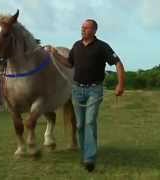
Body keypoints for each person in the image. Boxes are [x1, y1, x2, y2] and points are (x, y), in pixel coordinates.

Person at [49, 19, 125, 172]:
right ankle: (85, 154)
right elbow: (69, 63)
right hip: (77, 90)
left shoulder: (102, 46)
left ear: (94, 30)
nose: (82, 29)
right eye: (82, 27)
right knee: (80, 124)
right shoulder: (76, 45)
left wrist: (120, 84)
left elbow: (117, 63)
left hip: (94, 90)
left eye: (86, 27)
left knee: (90, 122)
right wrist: (55, 54)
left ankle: (89, 158)